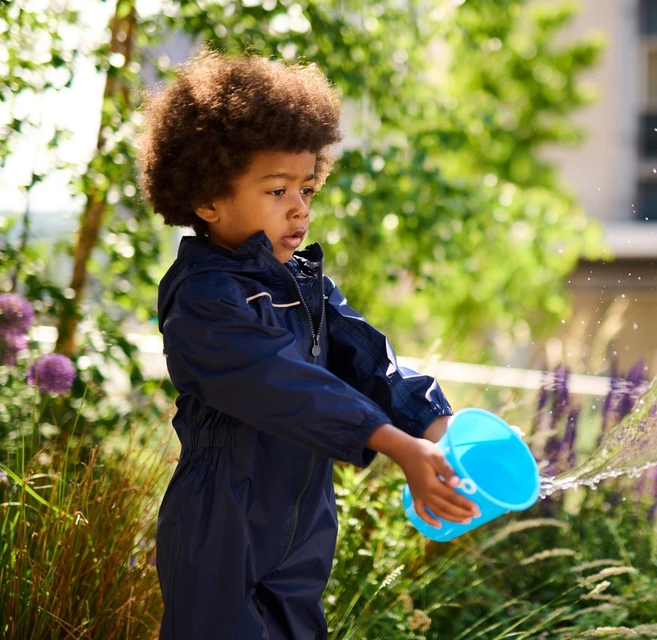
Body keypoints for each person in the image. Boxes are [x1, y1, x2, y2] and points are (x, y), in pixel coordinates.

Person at [137, 49, 479, 639]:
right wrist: (395, 446)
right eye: (276, 191)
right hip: (223, 531)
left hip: (302, 533)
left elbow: (370, 360)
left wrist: (435, 429)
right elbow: (286, 387)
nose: (299, 208)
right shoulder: (204, 300)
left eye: (308, 189)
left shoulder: (305, 282)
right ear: (207, 200)